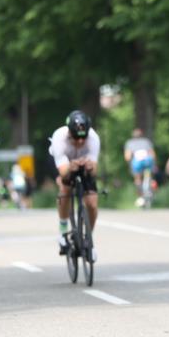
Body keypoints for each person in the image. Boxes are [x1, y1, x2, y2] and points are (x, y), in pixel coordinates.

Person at [49, 110, 101, 257]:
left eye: (83, 138)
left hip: (84, 161)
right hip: (64, 162)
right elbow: (64, 172)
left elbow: (94, 171)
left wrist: (90, 168)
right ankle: (63, 231)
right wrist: (71, 167)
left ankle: (88, 239)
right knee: (65, 189)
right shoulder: (59, 138)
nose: (79, 142)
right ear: (69, 133)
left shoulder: (93, 138)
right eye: (76, 138)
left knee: (91, 203)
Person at [124, 128, 157, 207]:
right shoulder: (146, 141)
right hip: (148, 161)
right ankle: (150, 188)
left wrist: (130, 163)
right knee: (149, 175)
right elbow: (152, 154)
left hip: (137, 161)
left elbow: (127, 157)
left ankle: (140, 196)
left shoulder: (129, 143)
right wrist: (154, 164)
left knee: (137, 179)